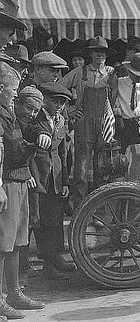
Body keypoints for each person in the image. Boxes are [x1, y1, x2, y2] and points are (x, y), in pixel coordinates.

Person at [0, 62, 47, 320]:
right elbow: (3, 151)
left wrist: (41, 134)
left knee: (18, 241)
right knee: (2, 243)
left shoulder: (9, 113)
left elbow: (28, 130)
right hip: (6, 183)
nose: (15, 94)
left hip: (19, 180)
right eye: (13, 90)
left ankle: (14, 292)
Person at [59, 36, 115, 209]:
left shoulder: (112, 73)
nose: (99, 55)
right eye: (96, 51)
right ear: (90, 53)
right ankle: (79, 210)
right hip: (84, 124)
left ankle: (98, 213)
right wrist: (69, 111)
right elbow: (59, 88)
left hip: (105, 123)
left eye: (102, 51)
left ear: (106, 54)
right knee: (81, 170)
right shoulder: (80, 72)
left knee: (102, 170)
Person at [30, 83, 74, 280]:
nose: (58, 105)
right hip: (37, 175)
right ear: (44, 100)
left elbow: (63, 153)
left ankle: (56, 257)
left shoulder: (61, 120)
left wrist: (65, 181)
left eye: (62, 102)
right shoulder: (34, 118)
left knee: (55, 219)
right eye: (55, 101)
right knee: (38, 220)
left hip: (55, 178)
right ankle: (44, 262)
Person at [14, 87, 44, 287]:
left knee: (25, 226)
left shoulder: (26, 123)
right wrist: (27, 173)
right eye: (28, 108)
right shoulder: (10, 120)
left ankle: (19, 276)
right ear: (17, 102)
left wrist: (42, 132)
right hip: (13, 179)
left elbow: (32, 129)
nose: (30, 113)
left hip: (22, 179)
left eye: (35, 111)